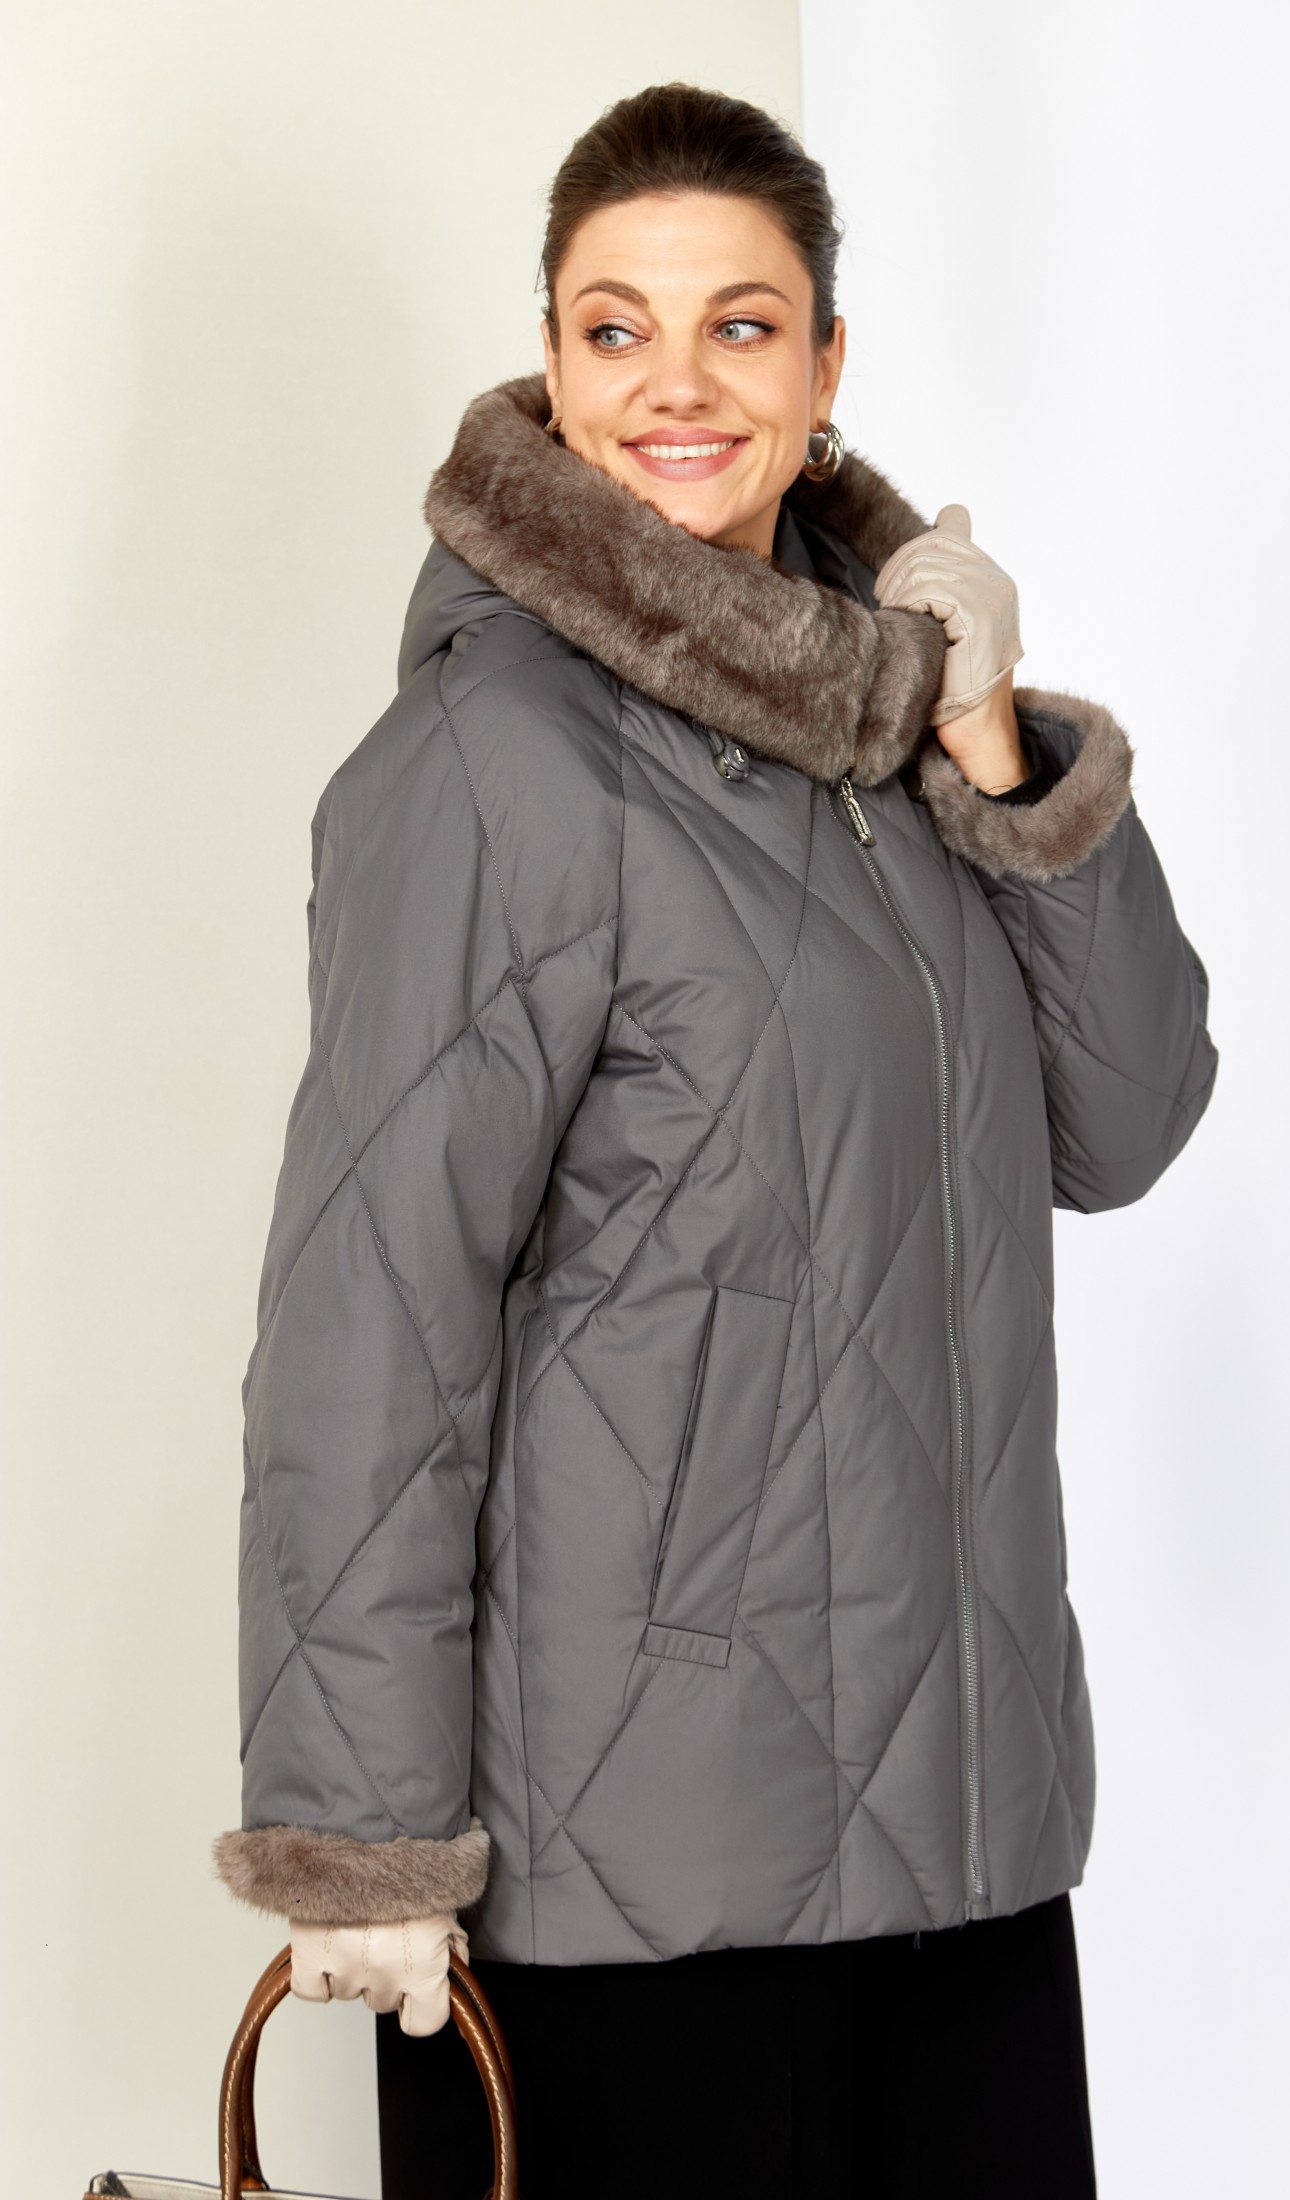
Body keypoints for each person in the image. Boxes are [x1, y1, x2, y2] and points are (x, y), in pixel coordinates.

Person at [214, 82, 1217, 2200]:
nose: (676, 383)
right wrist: (358, 1834)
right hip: (634, 1881)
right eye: (616, 327)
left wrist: (992, 746)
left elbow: (1124, 1118)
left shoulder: (893, 739)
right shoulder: (493, 759)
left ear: (826, 369)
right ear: (552, 365)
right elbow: (371, 1319)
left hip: (959, 1846)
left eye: (740, 326)